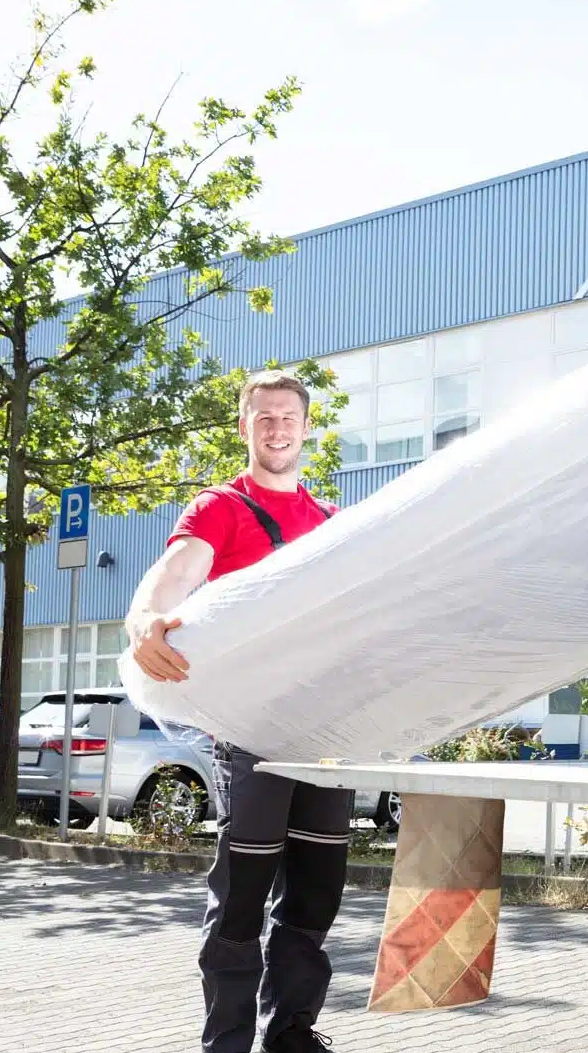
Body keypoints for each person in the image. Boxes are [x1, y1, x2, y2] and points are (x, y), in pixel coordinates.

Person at [125, 369, 351, 1053]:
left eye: (288, 416)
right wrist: (144, 620)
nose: (277, 427)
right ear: (245, 425)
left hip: (324, 735)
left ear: (307, 426)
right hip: (249, 730)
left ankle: (292, 1033)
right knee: (245, 889)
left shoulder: (333, 525)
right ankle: (226, 1042)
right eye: (264, 417)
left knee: (316, 893)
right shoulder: (218, 508)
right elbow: (172, 577)